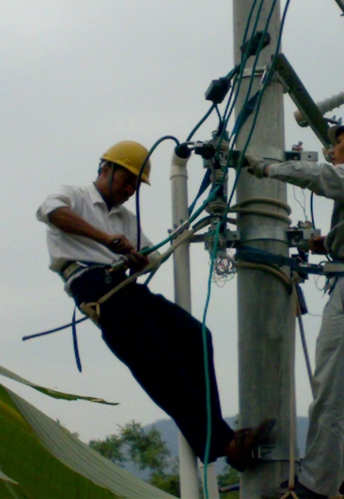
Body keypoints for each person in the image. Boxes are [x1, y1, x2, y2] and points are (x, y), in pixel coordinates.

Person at [37, 140, 274, 471]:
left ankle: (217, 438)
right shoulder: (73, 196)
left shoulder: (126, 219)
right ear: (106, 169)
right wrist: (105, 239)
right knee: (157, 361)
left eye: (135, 186)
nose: (130, 190)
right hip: (94, 287)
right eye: (127, 181)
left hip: (124, 287)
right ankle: (225, 443)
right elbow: (51, 212)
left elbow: (151, 255)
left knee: (196, 337)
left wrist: (140, 259)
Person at [246, 116, 344, 498]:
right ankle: (327, 485)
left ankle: (313, 488)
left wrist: (268, 168)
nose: (334, 150)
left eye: (341, 141)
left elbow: (321, 177)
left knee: (331, 394)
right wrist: (328, 243)